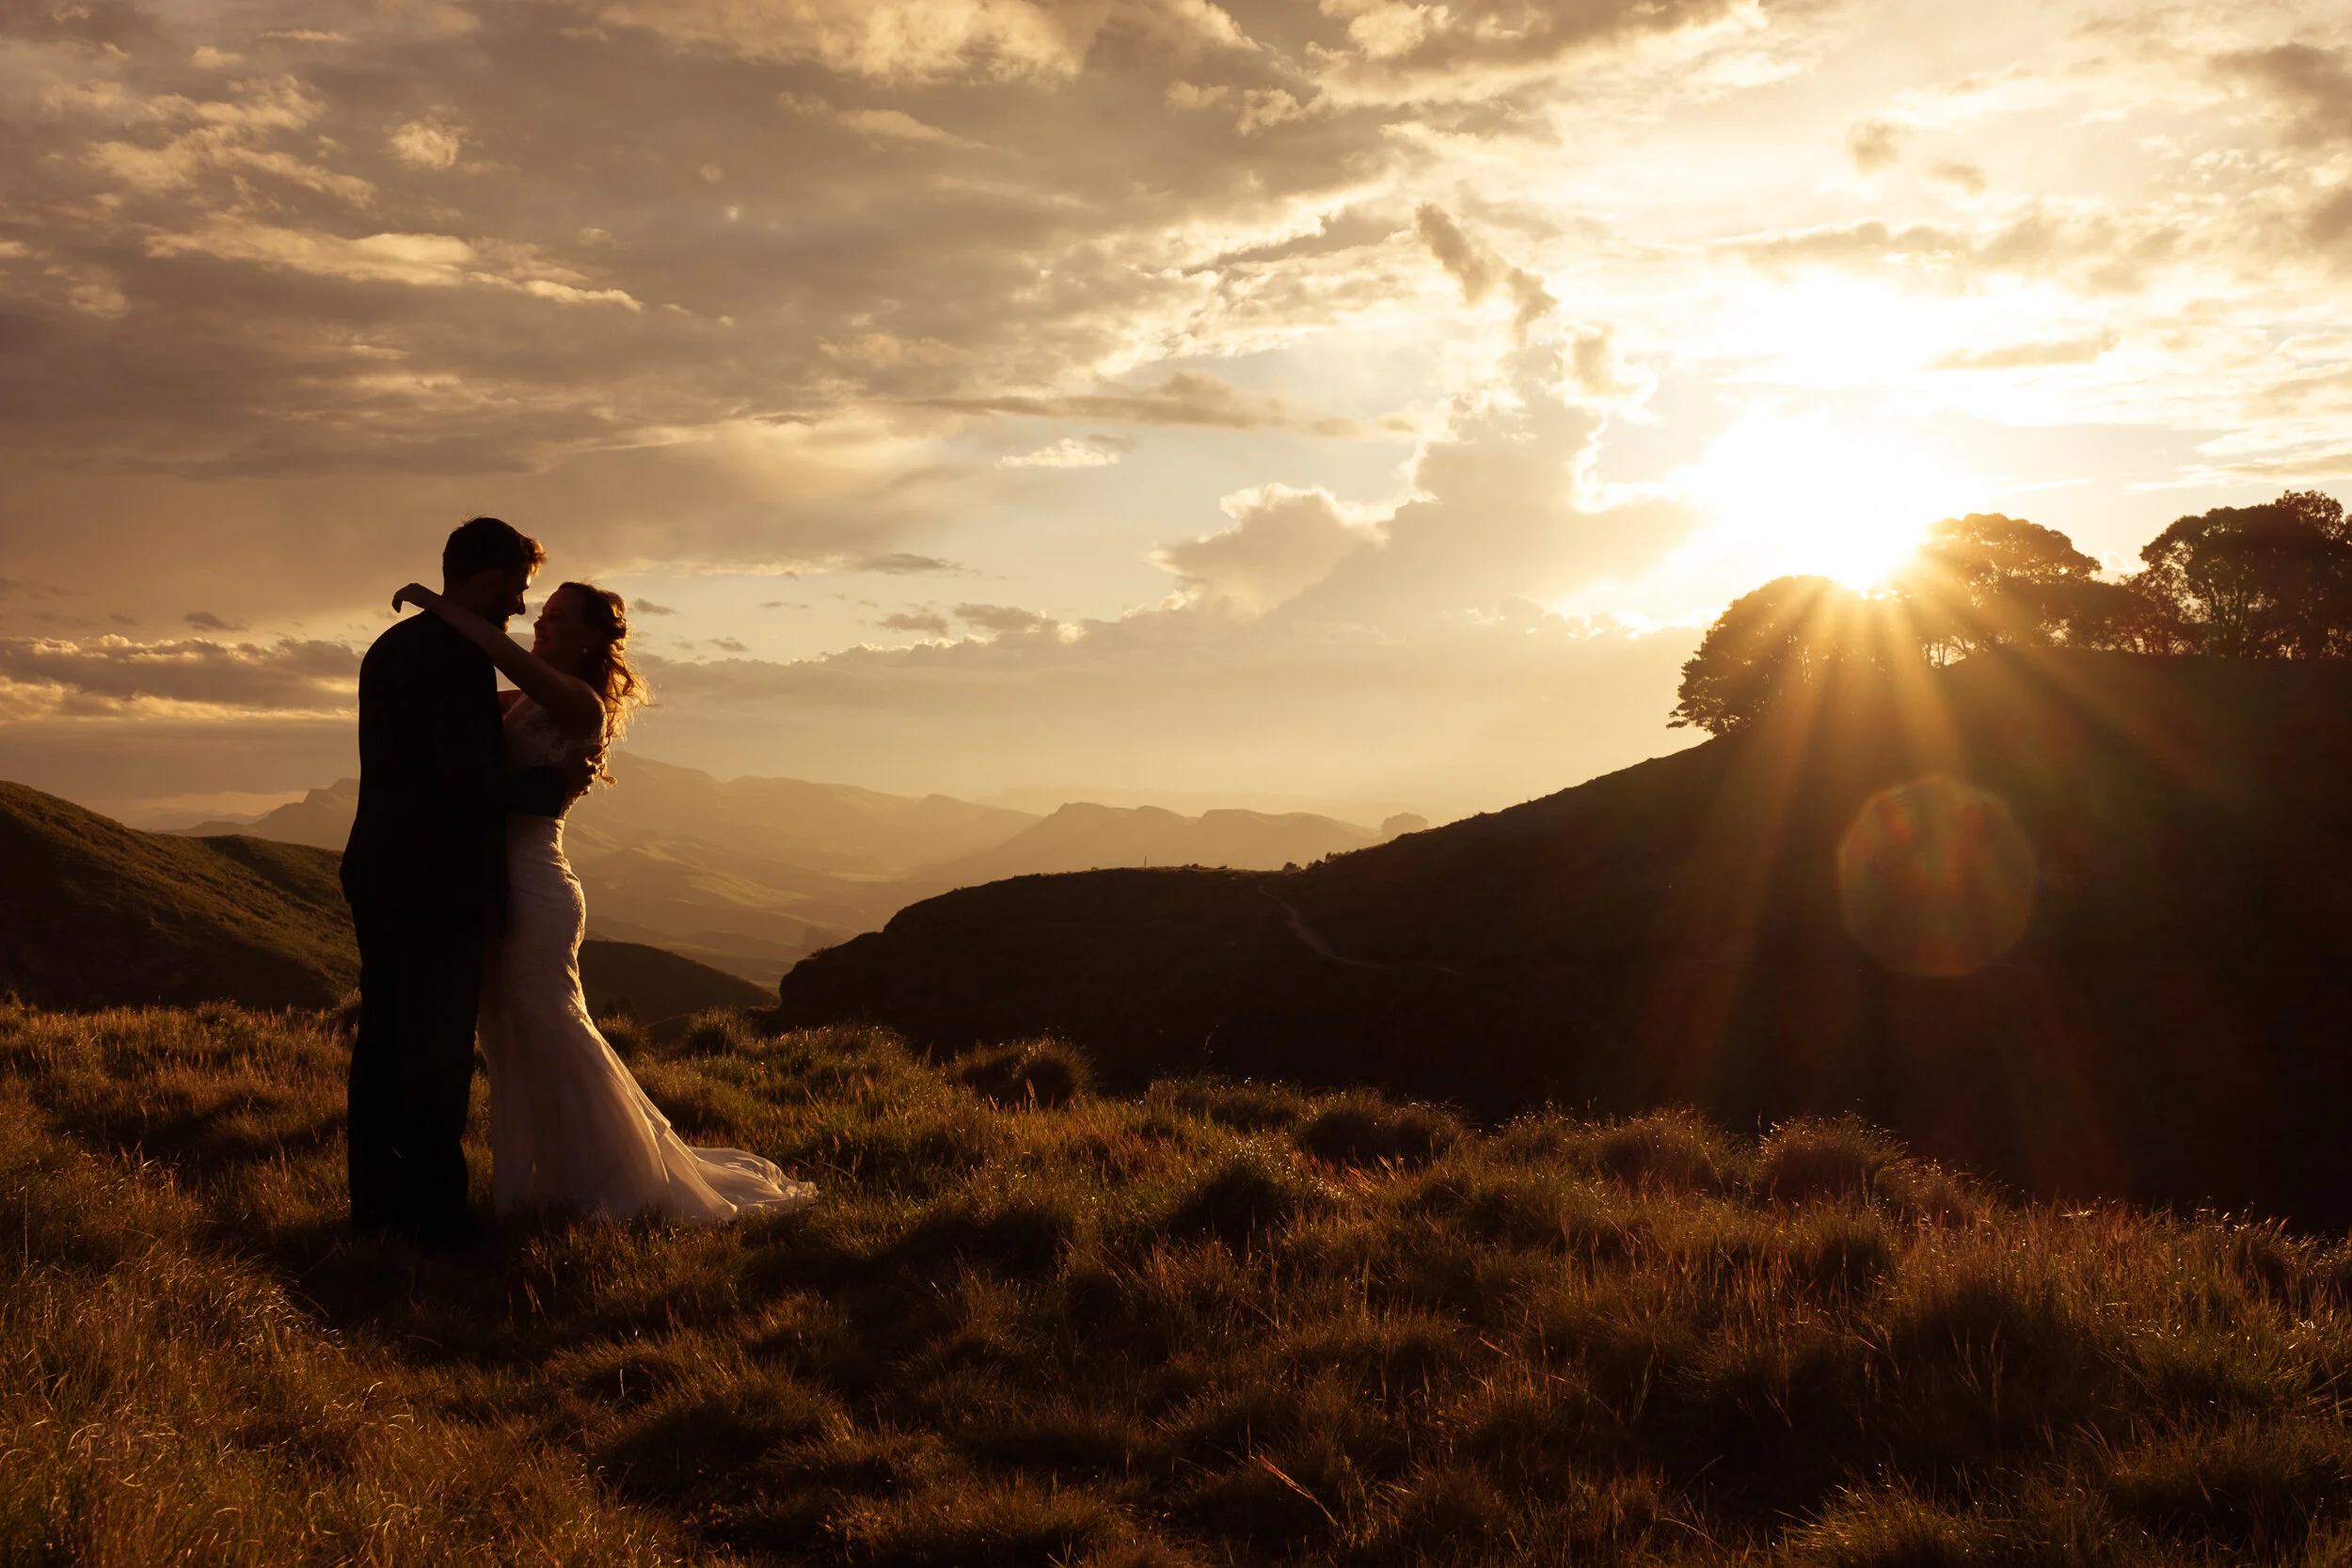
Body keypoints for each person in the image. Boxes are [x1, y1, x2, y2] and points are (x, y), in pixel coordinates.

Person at [389, 573, 818, 1225]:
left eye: (558, 618)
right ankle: (553, 1182)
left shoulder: (580, 703)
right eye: (543, 613)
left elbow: (500, 656)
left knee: (555, 1033)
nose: (540, 623)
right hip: (501, 888)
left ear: (592, 639)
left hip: (536, 891)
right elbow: (460, 706)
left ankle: (624, 1187)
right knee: (515, 1039)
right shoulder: (530, 699)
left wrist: (440, 606)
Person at [342, 516, 545, 1251]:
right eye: (517, 589)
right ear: (487, 581)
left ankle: (375, 1204)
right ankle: (436, 1219)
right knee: (437, 1052)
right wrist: (545, 787)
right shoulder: (459, 658)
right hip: (437, 884)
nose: (519, 605)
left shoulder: (389, 648)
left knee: (383, 1042)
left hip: (377, 869)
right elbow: (465, 784)